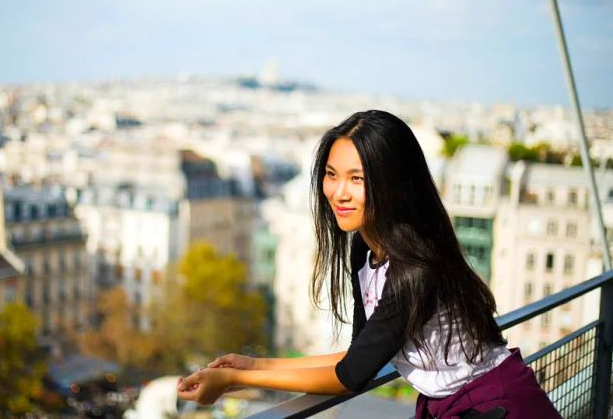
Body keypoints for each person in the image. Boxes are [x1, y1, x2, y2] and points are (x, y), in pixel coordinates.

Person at [177, 110, 561, 418]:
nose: (338, 192)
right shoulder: (366, 247)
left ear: (393, 183)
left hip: (495, 406)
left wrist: (234, 378)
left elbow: (350, 376)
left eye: (356, 178)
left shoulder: (416, 268)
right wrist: (252, 367)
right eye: (331, 174)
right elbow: (359, 355)